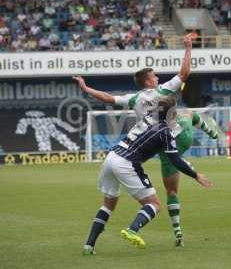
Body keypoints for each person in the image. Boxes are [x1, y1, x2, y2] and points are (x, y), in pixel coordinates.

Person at [82, 96, 212, 255]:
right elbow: (176, 160)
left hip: (111, 157)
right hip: (126, 163)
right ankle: (132, 230)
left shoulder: (147, 117)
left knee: (108, 205)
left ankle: (89, 246)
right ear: (172, 112)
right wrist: (195, 175)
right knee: (154, 204)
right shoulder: (166, 132)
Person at [159, 109, 218, 246]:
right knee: (191, 113)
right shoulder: (184, 112)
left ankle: (177, 231)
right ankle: (212, 133)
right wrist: (211, 132)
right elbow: (193, 115)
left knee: (171, 191)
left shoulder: (150, 120)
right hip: (186, 132)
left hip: (167, 144)